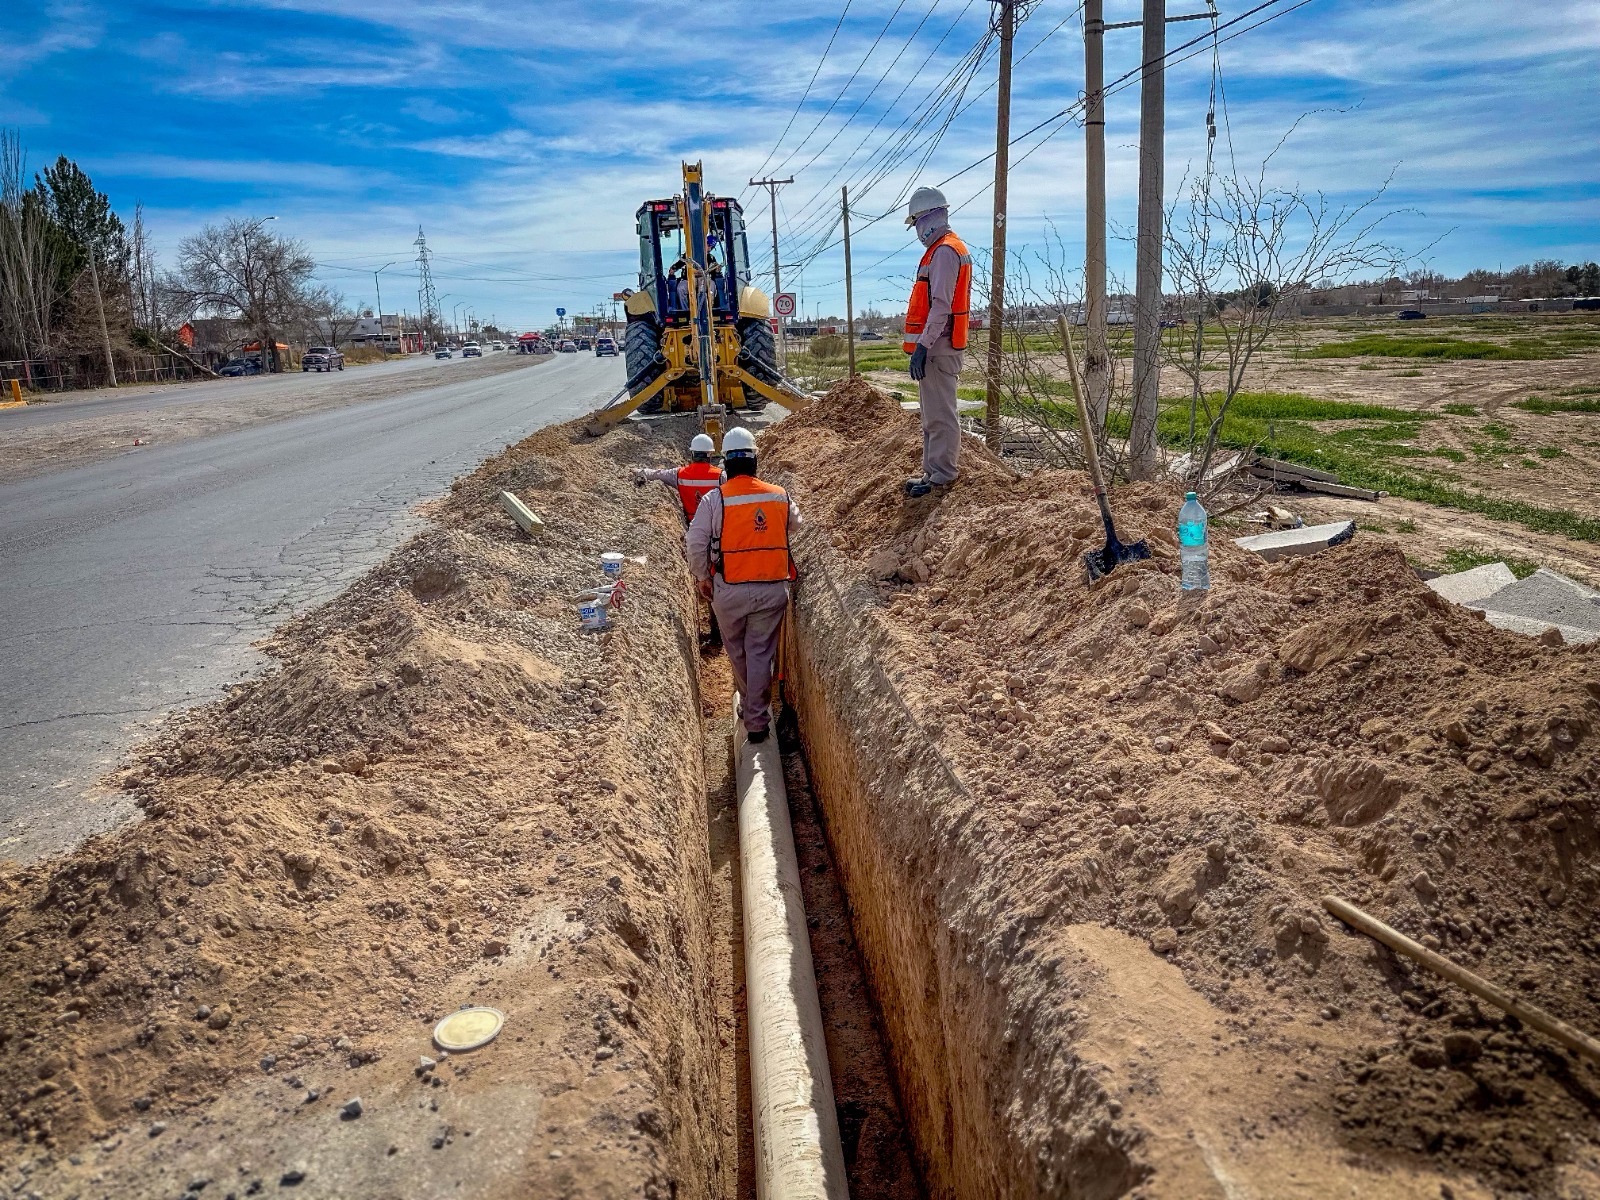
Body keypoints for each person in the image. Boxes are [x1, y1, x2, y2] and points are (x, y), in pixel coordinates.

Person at [686, 426, 798, 744]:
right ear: (754, 461)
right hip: (771, 589)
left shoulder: (714, 499)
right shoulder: (778, 494)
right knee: (760, 652)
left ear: (726, 464)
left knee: (737, 652)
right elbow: (795, 523)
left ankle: (753, 713)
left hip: (729, 590)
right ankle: (757, 718)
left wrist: (702, 578)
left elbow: (695, 542)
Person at [900, 185, 972, 498]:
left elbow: (941, 305)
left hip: (938, 348)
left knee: (941, 415)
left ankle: (943, 475)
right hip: (935, 348)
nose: (916, 229)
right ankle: (932, 472)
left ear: (930, 216)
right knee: (931, 415)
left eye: (916, 221)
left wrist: (923, 346)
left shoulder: (944, 251)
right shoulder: (941, 249)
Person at [634, 433, 723, 523]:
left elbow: (657, 474)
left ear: (692, 454)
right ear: (710, 454)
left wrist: (639, 471)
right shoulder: (721, 475)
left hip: (692, 523)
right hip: (716, 524)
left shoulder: (679, 474)